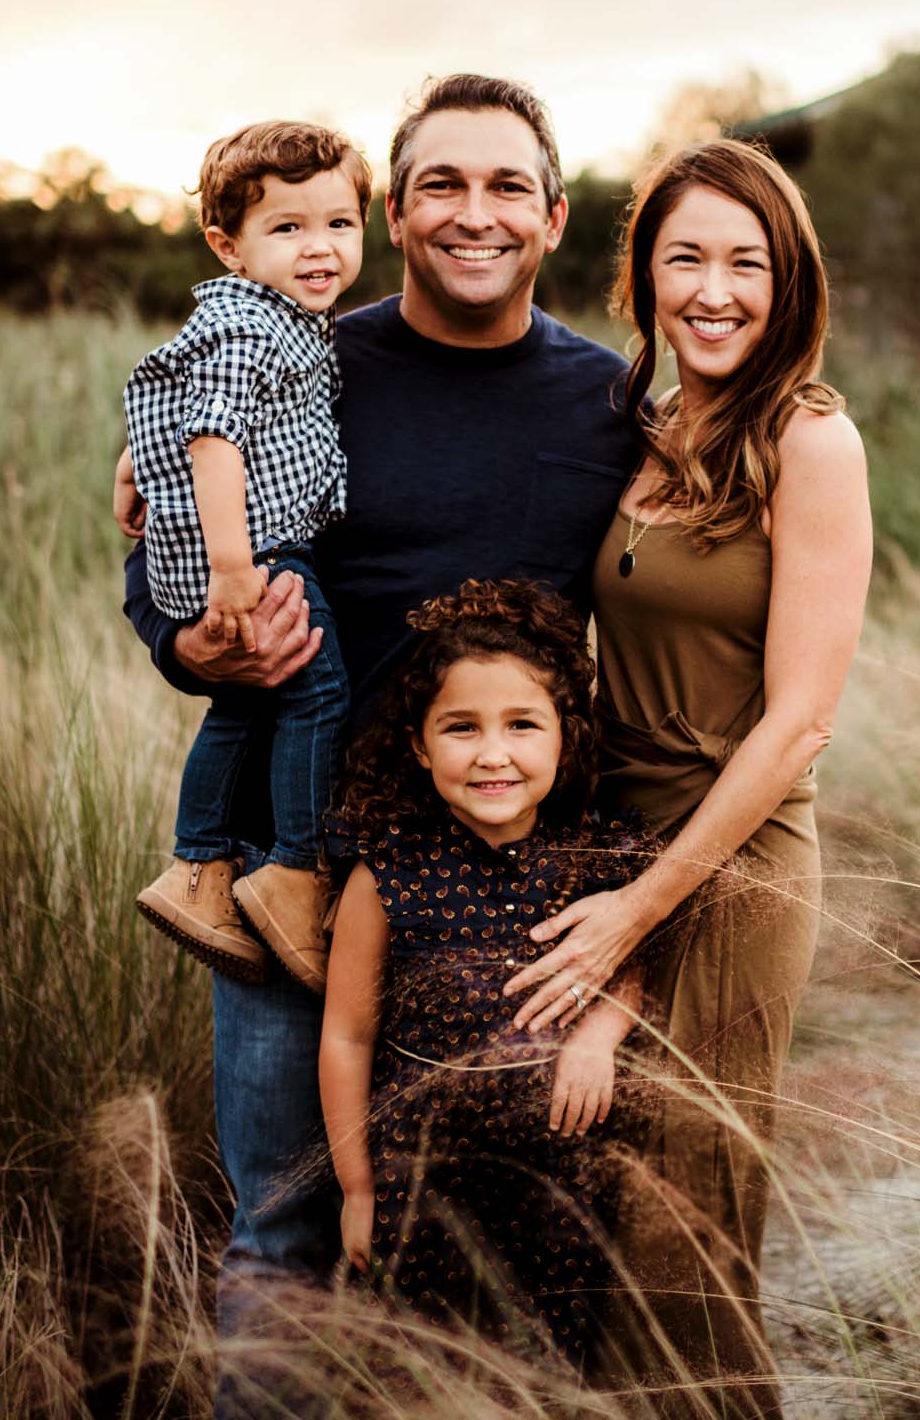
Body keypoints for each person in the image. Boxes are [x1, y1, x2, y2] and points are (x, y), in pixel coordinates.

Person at [115, 75, 634, 1315]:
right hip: (296, 872)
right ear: (392, 216)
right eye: (440, 186)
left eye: (508, 185)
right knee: (287, 1233)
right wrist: (197, 649)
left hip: (510, 884)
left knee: (509, 1229)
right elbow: (165, 572)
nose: (476, 214)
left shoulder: (608, 400)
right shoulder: (300, 359)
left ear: (554, 218)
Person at [499, 137, 871, 1417]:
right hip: (616, 844)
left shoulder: (806, 442)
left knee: (684, 1231)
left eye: (745, 262)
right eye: (686, 259)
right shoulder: (648, 429)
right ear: (644, 277)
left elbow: (798, 725)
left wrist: (637, 914)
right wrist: (161, 460)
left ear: (789, 283)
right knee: (598, 1215)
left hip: (736, 864)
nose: (715, 291)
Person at [318, 579, 648, 1368]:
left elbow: (628, 967)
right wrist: (358, 1187)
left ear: (563, 737)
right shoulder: (389, 871)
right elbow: (346, 1032)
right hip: (420, 1186)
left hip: (559, 1188)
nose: (493, 752)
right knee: (425, 1370)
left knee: (549, 1371)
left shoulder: (593, 859)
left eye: (522, 724)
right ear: (420, 745)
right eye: (461, 727)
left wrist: (599, 1035)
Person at [123, 121, 366, 991]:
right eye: (288, 227)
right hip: (258, 547)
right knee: (318, 691)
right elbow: (215, 429)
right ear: (229, 246)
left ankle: (198, 870)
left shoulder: (284, 318)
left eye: (340, 224)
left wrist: (132, 455)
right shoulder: (250, 325)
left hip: (257, 539)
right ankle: (292, 870)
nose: (320, 248)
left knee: (249, 703)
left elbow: (178, 392)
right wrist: (234, 567)